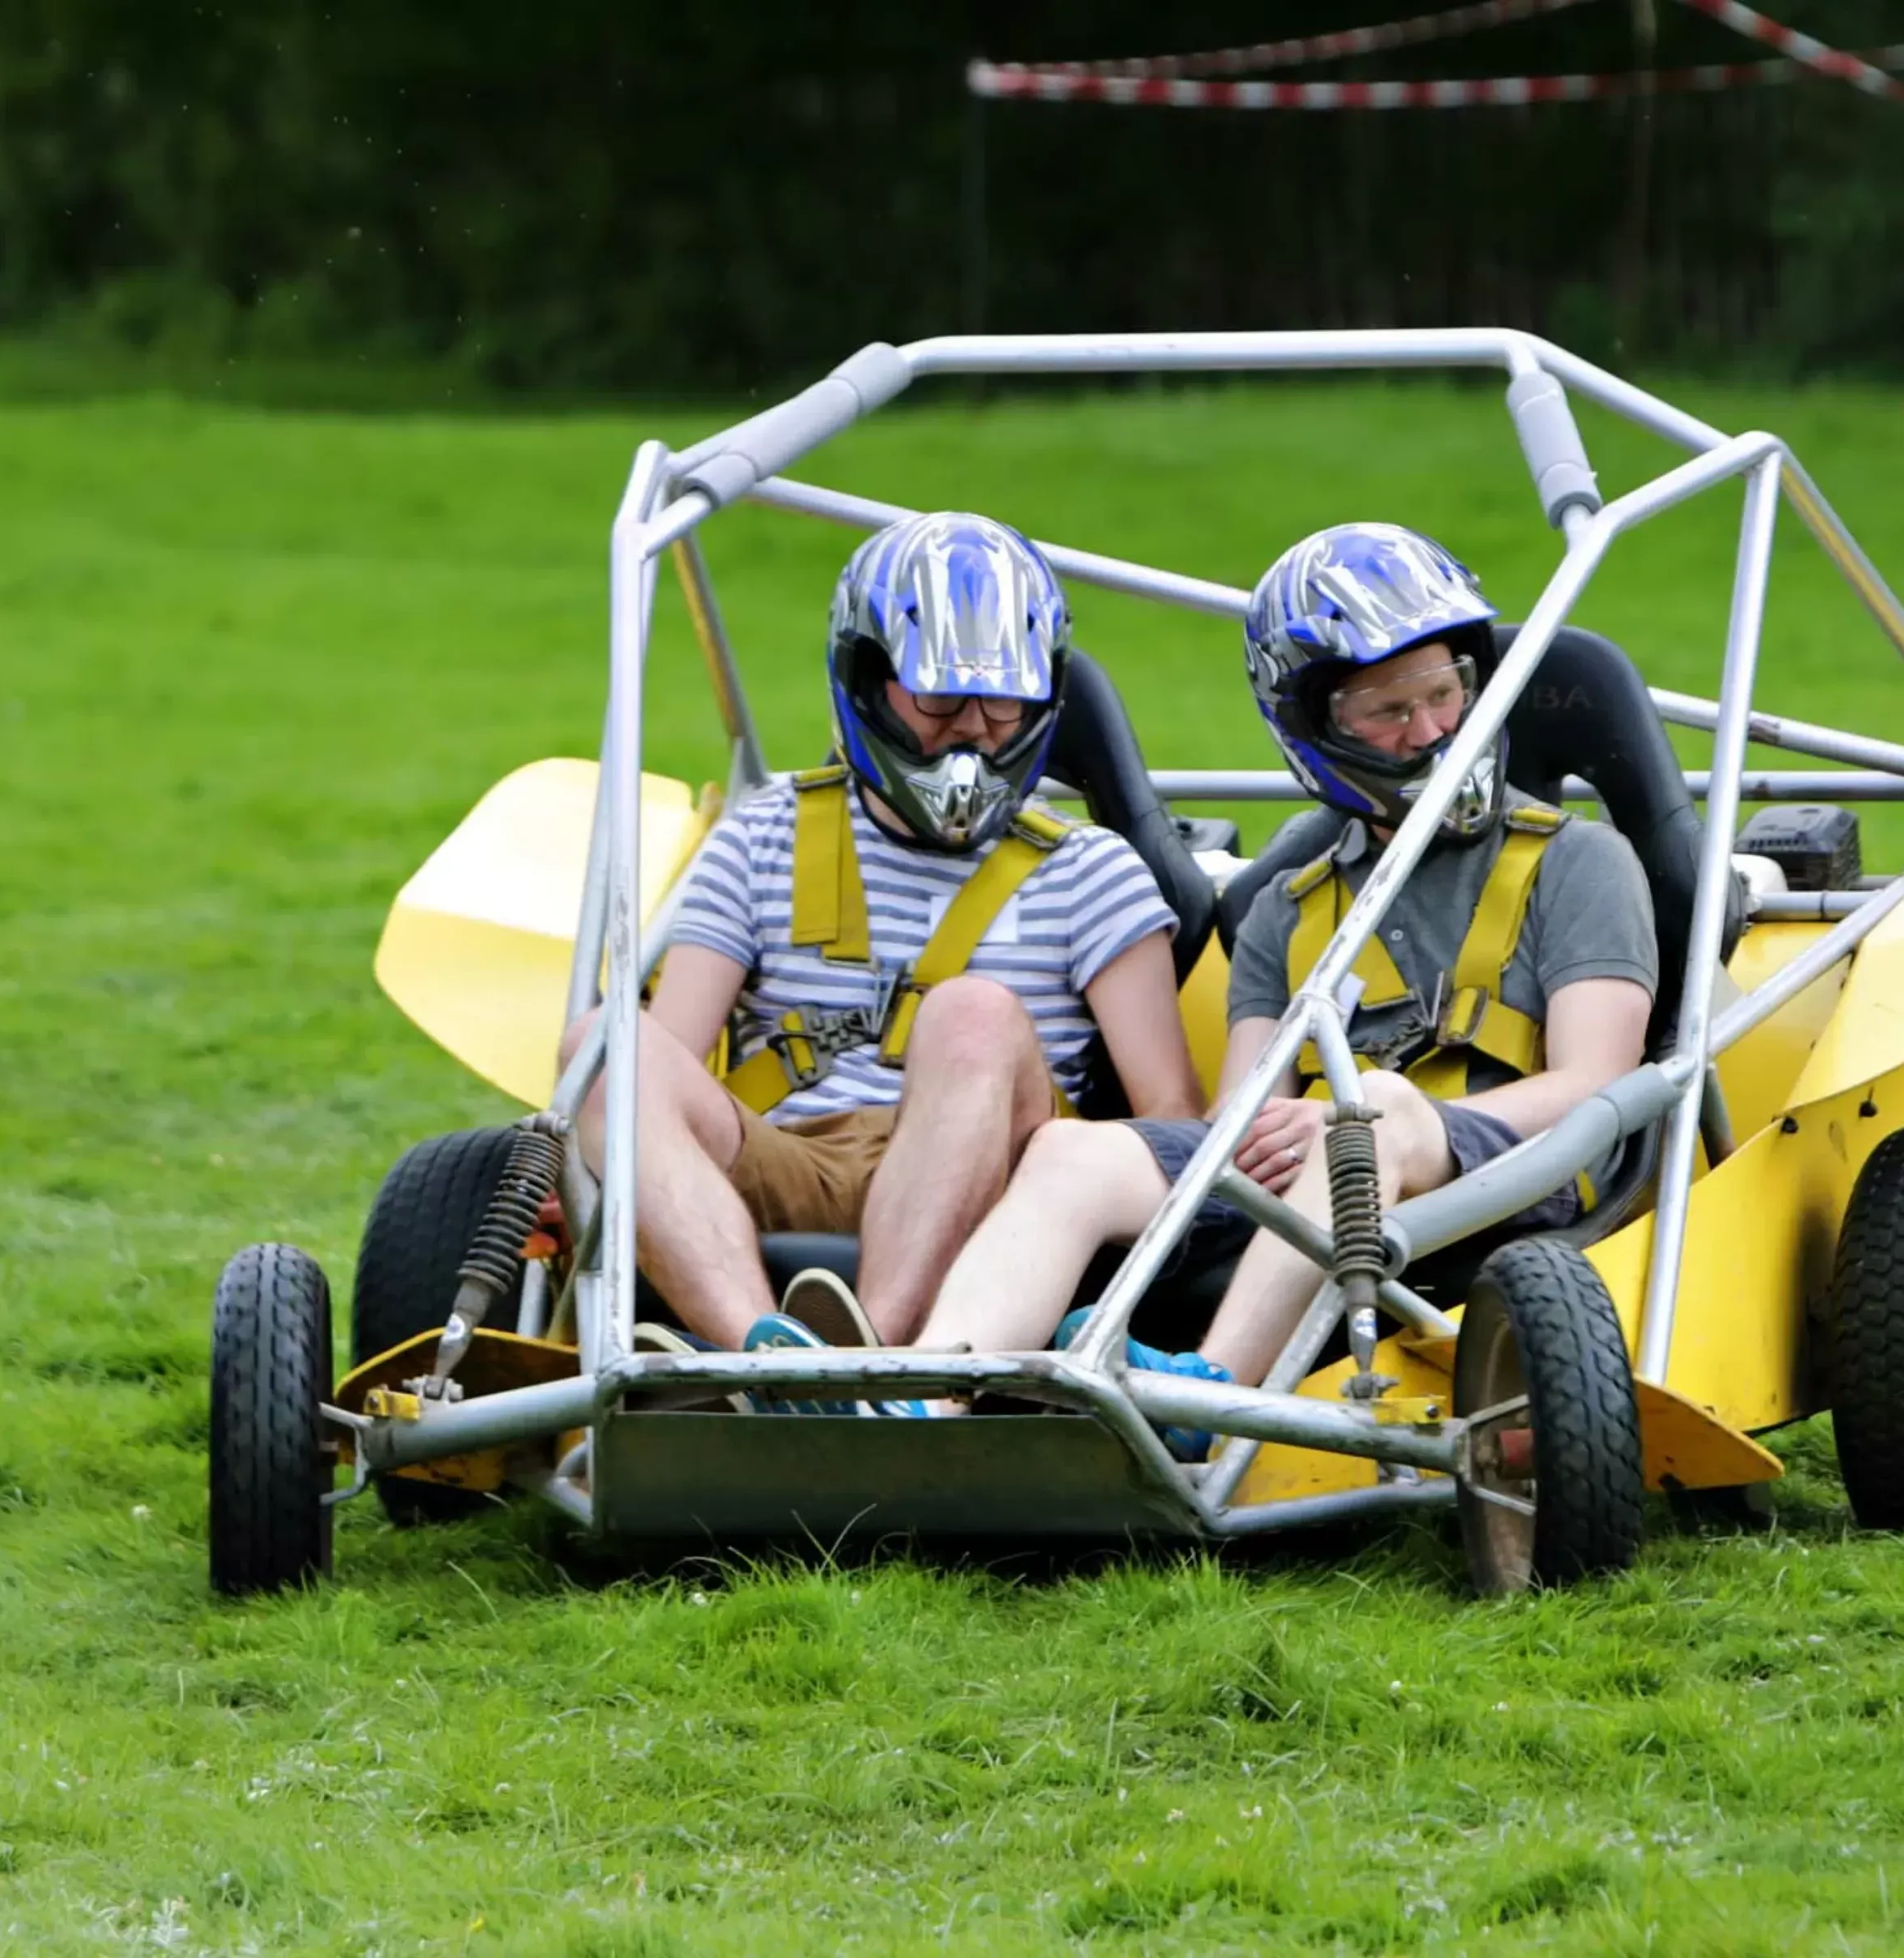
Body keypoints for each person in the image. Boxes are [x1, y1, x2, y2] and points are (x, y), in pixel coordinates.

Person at [914, 521, 1658, 1445]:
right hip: (1329, 1167)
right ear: (1314, 729)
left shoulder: (1580, 862)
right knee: (1075, 1153)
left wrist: (1351, 1122)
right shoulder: (1285, 907)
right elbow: (1242, 1110)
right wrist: (1278, 1132)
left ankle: (1210, 1398)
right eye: (1388, 711)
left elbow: (1595, 1086)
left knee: (1369, 1113)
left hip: (1519, 1164)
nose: (1432, 731)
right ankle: (927, 1393)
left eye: (1445, 694)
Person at [564, 511, 1202, 1358]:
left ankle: (871, 1363)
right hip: (791, 1155)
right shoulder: (762, 836)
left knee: (972, 1014)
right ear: (866, 682)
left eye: (1003, 700)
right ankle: (763, 1357)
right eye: (939, 697)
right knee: (604, 1043)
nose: (972, 727)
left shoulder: (1093, 870)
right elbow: (664, 1066)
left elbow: (1172, 1120)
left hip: (1002, 1180)